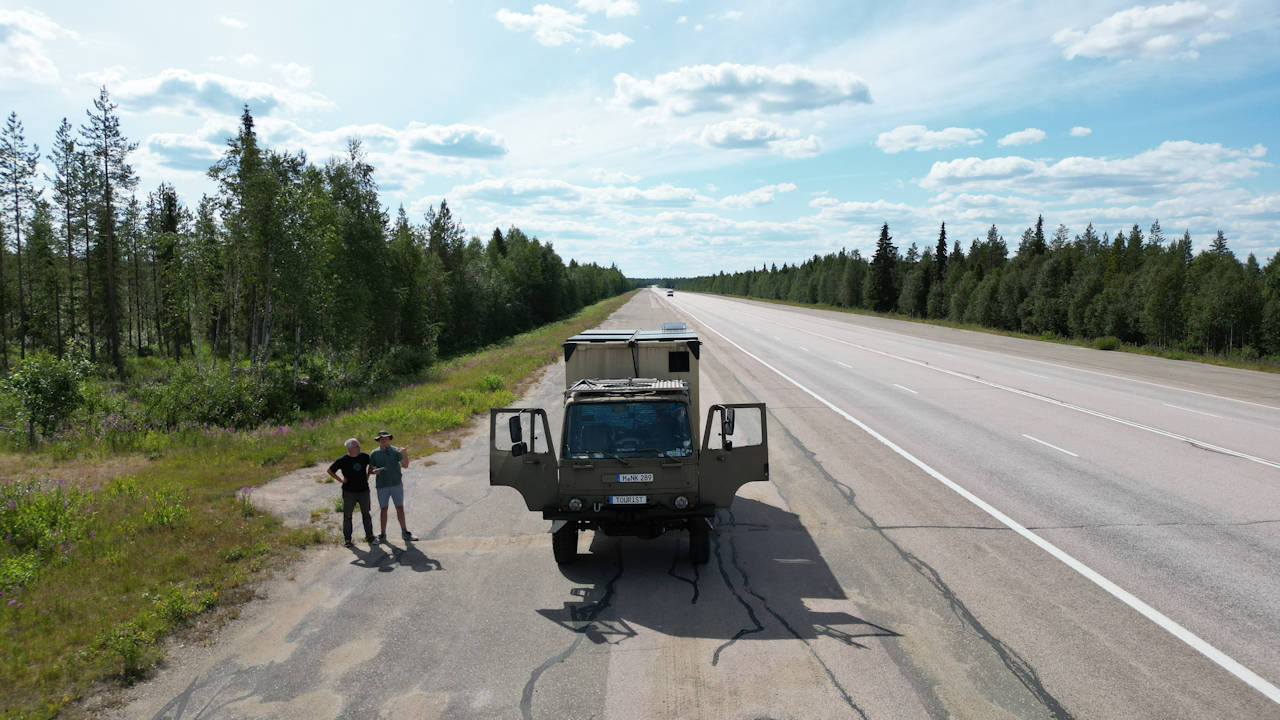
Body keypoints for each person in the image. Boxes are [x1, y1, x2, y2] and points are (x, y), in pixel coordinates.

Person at [369, 429, 416, 542]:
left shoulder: (396, 451)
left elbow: (405, 465)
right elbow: (370, 469)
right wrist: (374, 471)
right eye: (381, 439)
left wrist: (404, 453)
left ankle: (405, 532)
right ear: (378, 441)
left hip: (396, 484)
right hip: (382, 485)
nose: (384, 441)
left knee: (399, 508)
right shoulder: (374, 453)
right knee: (383, 509)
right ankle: (383, 534)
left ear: (389, 439)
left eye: (386, 438)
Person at [328, 438, 375, 548]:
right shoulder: (343, 460)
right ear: (350, 448)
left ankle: (370, 536)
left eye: (358, 445)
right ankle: (348, 539)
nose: (359, 447)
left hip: (363, 490)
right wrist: (340, 480)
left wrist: (368, 474)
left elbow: (371, 466)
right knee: (347, 516)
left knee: (366, 514)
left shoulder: (364, 457)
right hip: (349, 492)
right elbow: (330, 471)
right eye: (357, 446)